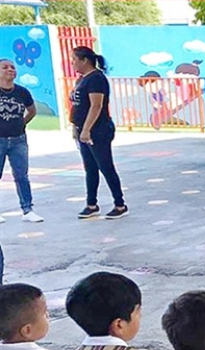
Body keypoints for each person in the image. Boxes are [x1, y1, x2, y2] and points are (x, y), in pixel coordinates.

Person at [69, 46, 128, 220]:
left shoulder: (96, 79)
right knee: (90, 168)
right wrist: (76, 127)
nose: (73, 63)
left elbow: (96, 105)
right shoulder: (81, 80)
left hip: (98, 130)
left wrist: (87, 129)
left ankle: (120, 204)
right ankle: (91, 204)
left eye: (74, 59)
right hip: (82, 129)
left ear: (84, 60)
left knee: (105, 166)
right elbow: (77, 106)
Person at [0, 58, 43, 223]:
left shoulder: (22, 92)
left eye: (12, 67)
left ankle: (27, 209)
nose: (10, 70)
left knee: (21, 175)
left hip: (18, 140)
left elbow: (32, 110)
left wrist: (21, 124)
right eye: (5, 67)